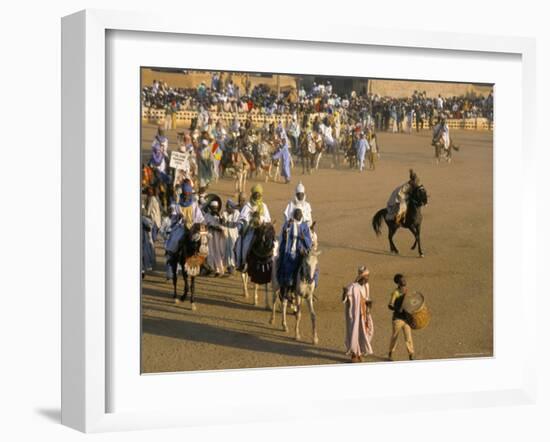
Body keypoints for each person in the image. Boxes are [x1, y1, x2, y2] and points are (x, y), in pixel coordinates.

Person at [235, 184, 271, 271]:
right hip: (250, 230)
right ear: (252, 194)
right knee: (244, 243)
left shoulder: (263, 206)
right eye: (255, 194)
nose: (257, 196)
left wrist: (260, 218)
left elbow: (268, 219)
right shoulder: (247, 206)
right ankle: (243, 262)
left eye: (259, 194)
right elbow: (242, 218)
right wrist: (250, 219)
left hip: (261, 229)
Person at [342, 266, 374, 362]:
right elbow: (344, 300)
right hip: (354, 315)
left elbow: (367, 298)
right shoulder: (352, 287)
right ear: (361, 277)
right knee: (354, 333)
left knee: (368, 331)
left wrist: (369, 306)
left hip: (364, 313)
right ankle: (354, 354)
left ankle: (360, 352)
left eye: (368, 276)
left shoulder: (366, 286)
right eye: (366, 276)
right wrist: (344, 293)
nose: (368, 278)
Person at [277, 208, 312, 291]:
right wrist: (287, 228)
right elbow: (284, 235)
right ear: (294, 215)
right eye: (296, 214)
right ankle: (286, 286)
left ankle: (308, 284)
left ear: (302, 215)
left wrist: (304, 239)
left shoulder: (304, 226)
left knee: (309, 266)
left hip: (301, 252)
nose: (298, 215)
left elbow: (309, 241)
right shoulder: (289, 223)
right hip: (290, 251)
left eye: (299, 214)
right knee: (285, 265)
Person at [388, 273, 415, 361]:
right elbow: (390, 305)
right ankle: (390, 353)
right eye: (402, 281)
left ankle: (411, 355)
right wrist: (397, 308)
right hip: (397, 319)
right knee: (394, 337)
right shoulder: (395, 293)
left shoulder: (407, 291)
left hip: (406, 319)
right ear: (398, 283)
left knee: (408, 337)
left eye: (404, 279)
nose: (404, 281)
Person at [204, 199, 226, 276]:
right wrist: (209, 226)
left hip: (218, 237)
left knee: (218, 252)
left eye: (215, 208)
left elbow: (223, 227)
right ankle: (211, 269)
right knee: (210, 252)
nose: (214, 209)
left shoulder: (220, 216)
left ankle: (219, 270)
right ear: (210, 207)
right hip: (209, 236)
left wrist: (220, 218)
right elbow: (203, 226)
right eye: (213, 207)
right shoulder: (207, 216)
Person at [221, 199, 240, 274]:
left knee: (233, 249)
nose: (232, 209)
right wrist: (225, 223)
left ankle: (233, 265)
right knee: (226, 249)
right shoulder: (224, 213)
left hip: (233, 234)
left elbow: (234, 224)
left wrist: (227, 223)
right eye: (231, 208)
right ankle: (228, 266)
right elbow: (223, 222)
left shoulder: (237, 213)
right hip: (225, 234)